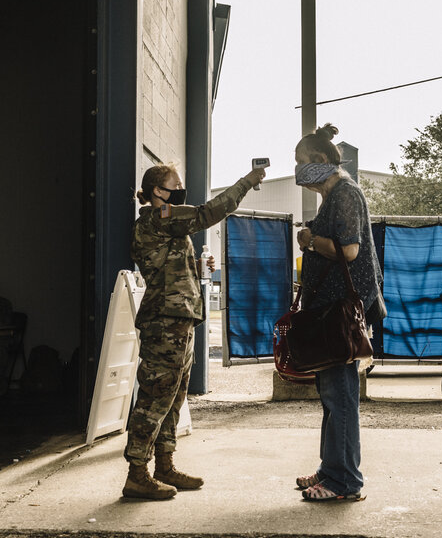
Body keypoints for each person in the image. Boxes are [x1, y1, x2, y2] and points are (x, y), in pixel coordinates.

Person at [124, 161, 266, 500]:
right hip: (165, 323)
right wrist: (246, 181)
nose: (180, 188)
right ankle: (136, 473)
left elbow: (170, 266)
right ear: (158, 191)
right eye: (175, 184)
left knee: (174, 395)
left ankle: (165, 465)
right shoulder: (159, 218)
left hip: (180, 319)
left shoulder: (169, 227)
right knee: (156, 395)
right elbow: (207, 212)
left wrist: (197, 267)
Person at [293, 123, 385, 502]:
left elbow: (349, 250)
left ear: (320, 161)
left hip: (340, 312)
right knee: (332, 394)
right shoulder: (333, 196)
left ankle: (344, 482)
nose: (298, 170)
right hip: (330, 309)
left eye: (301, 162)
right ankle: (332, 468)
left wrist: (310, 240)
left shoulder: (345, 193)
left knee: (340, 396)